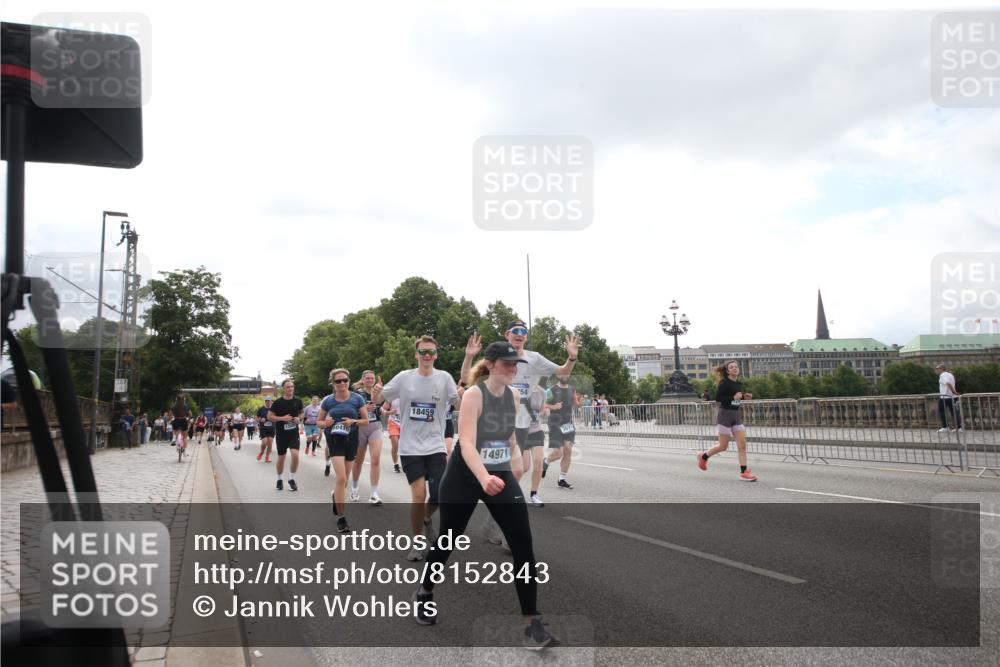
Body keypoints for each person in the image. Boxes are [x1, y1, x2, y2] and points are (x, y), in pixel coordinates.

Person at [414, 341, 560, 651]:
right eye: (507, 363)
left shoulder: (514, 395)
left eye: (515, 364)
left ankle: (531, 625)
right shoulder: (473, 394)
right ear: (491, 364)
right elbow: (466, 443)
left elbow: (508, 435)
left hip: (498, 472)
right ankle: (425, 591)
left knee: (523, 545)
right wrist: (483, 477)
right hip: (465, 476)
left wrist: (515, 459)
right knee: (447, 541)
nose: (512, 369)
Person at [461, 323, 580, 543]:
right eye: (515, 331)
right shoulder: (496, 355)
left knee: (520, 469)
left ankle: (492, 516)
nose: (519, 335)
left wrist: (571, 358)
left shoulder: (534, 358)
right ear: (507, 335)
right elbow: (468, 377)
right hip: (496, 421)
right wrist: (469, 357)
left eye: (523, 332)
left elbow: (563, 372)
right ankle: (504, 525)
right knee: (510, 471)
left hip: (523, 423)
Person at [374, 336, 459, 562]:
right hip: (410, 446)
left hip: (436, 445)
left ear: (436, 354)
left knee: (440, 494)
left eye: (430, 351)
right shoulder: (404, 378)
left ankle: (426, 519)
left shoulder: (444, 378)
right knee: (419, 494)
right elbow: (379, 398)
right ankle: (417, 543)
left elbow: (457, 403)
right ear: (416, 355)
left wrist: (466, 395)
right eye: (422, 352)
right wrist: (375, 391)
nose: (427, 355)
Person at [319, 369, 369, 534]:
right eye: (338, 381)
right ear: (333, 383)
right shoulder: (328, 401)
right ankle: (342, 518)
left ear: (349, 381)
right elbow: (318, 421)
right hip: (335, 439)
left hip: (351, 439)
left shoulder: (357, 398)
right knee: (341, 478)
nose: (342, 383)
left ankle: (335, 495)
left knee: (345, 480)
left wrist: (353, 421)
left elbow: (365, 421)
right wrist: (325, 423)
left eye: (345, 380)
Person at [697, 360, 756, 481]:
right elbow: (719, 398)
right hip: (725, 416)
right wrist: (734, 397)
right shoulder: (724, 382)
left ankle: (744, 472)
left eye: (736, 366)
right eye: (732, 367)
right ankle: (703, 456)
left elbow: (735, 398)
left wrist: (744, 397)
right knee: (723, 446)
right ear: (728, 371)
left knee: (742, 445)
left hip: (736, 416)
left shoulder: (738, 383)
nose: (735, 368)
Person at [351, 371, 385, 506]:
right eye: (368, 378)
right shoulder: (357, 394)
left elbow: (381, 404)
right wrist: (364, 409)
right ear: (363, 379)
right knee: (358, 461)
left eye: (372, 378)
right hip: (360, 427)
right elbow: (352, 410)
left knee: (375, 459)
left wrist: (378, 393)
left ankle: (374, 493)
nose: (370, 380)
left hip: (375, 427)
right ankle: (354, 488)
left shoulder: (378, 392)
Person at [543, 375, 578, 490]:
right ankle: (546, 461)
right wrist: (553, 406)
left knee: (568, 450)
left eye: (568, 374)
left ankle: (561, 479)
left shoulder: (572, 389)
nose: (566, 376)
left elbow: (575, 403)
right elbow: (543, 405)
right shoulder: (551, 390)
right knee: (558, 453)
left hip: (568, 424)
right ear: (559, 375)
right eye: (564, 374)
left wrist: (579, 402)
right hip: (555, 423)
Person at [269, 380, 303, 491]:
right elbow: (270, 416)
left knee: (295, 455)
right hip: (281, 434)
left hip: (293, 433)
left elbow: (302, 413)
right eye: (288, 387)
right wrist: (282, 418)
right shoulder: (278, 402)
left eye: (292, 386)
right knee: (281, 458)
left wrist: (299, 418)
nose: (290, 388)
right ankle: (279, 479)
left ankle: (291, 478)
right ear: (284, 388)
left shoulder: (297, 401)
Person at [524, 379, 549, 506]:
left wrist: (545, 412)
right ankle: (507, 491)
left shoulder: (542, 392)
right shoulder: (519, 388)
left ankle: (533, 495)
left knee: (538, 462)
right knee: (524, 467)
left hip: (536, 431)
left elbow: (542, 410)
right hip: (521, 432)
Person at [935, 363, 963, 432]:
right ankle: (959, 427)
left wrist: (954, 391)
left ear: (941, 369)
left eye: (937, 369)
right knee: (954, 412)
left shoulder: (943, 375)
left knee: (942, 412)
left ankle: (945, 427)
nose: (936, 370)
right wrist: (954, 393)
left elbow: (948, 383)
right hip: (953, 397)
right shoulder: (950, 374)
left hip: (945, 397)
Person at [383, 398, 402, 474]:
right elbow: (382, 409)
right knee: (395, 444)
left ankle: (406, 463)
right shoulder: (392, 395)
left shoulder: (410, 393)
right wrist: (389, 412)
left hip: (405, 424)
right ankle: (396, 464)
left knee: (405, 446)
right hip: (393, 422)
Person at [256, 396, 275, 462]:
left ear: (271, 401)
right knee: (264, 443)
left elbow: (277, 417)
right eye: (266, 401)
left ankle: (267, 457)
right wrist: (260, 419)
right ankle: (261, 452)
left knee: (270, 442)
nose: (268, 402)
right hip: (263, 428)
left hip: (272, 428)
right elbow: (257, 418)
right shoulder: (261, 409)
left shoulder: (274, 409)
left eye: (269, 401)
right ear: (265, 401)